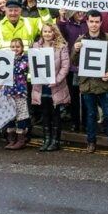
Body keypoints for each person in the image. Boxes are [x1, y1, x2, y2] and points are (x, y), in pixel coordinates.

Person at [74, 10, 108, 153]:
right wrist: (75, 50)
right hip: (87, 84)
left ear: (100, 22)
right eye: (91, 21)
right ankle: (91, 141)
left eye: (96, 22)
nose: (94, 24)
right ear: (87, 22)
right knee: (91, 114)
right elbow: (74, 62)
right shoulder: (80, 40)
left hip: (104, 83)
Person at [30, 21, 72, 152]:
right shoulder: (36, 46)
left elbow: (65, 67)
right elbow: (33, 64)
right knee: (45, 113)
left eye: (50, 31)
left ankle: (55, 141)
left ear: (54, 32)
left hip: (56, 86)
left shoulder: (61, 47)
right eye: (45, 31)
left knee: (55, 114)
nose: (47, 34)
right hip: (41, 86)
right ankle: (46, 139)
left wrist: (56, 80)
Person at [1, 39, 32, 150]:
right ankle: (12, 139)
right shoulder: (6, 58)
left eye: (17, 46)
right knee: (10, 115)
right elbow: (1, 72)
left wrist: (7, 65)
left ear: (22, 48)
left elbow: (18, 69)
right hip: (8, 91)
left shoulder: (25, 59)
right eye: (13, 46)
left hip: (20, 91)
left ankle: (21, 139)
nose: (15, 49)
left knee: (21, 115)